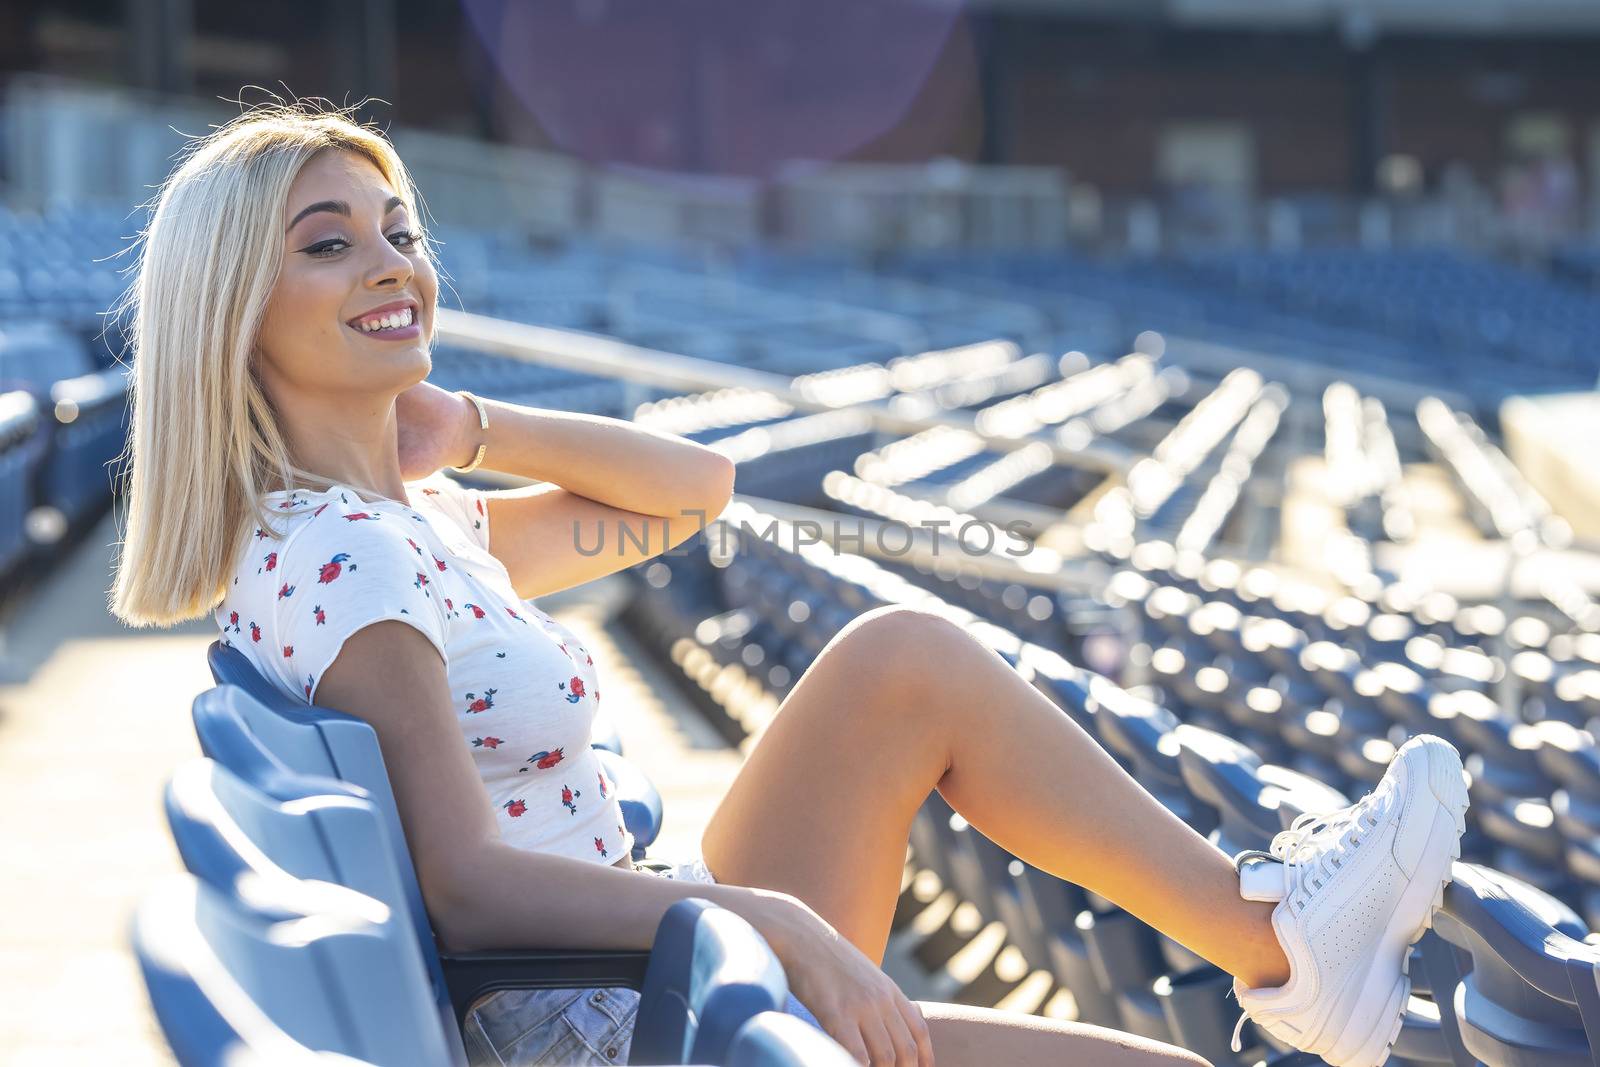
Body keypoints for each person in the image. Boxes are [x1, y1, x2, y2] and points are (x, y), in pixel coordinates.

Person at [109, 101, 1470, 1067]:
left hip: (641, 970)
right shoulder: (353, 565)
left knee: (901, 662)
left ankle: (1283, 946)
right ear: (234, 307)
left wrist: (470, 427)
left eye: (399, 229)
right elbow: (467, 887)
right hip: (611, 1024)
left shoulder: (409, 524)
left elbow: (693, 497)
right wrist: (762, 920)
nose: (395, 261)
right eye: (329, 242)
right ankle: (1290, 951)